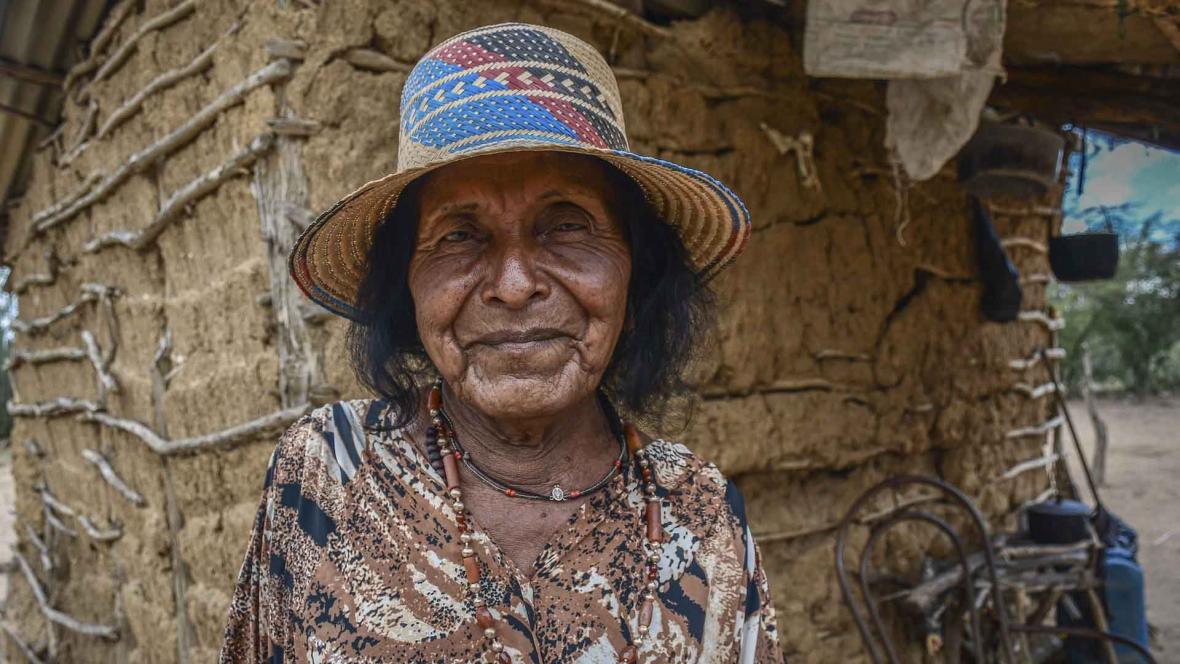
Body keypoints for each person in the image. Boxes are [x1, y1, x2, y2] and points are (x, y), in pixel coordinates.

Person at [220, 22, 782, 663]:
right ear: (408, 288)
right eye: (459, 235)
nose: (514, 287)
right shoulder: (329, 472)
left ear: (636, 276)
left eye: (566, 226)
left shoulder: (699, 513)